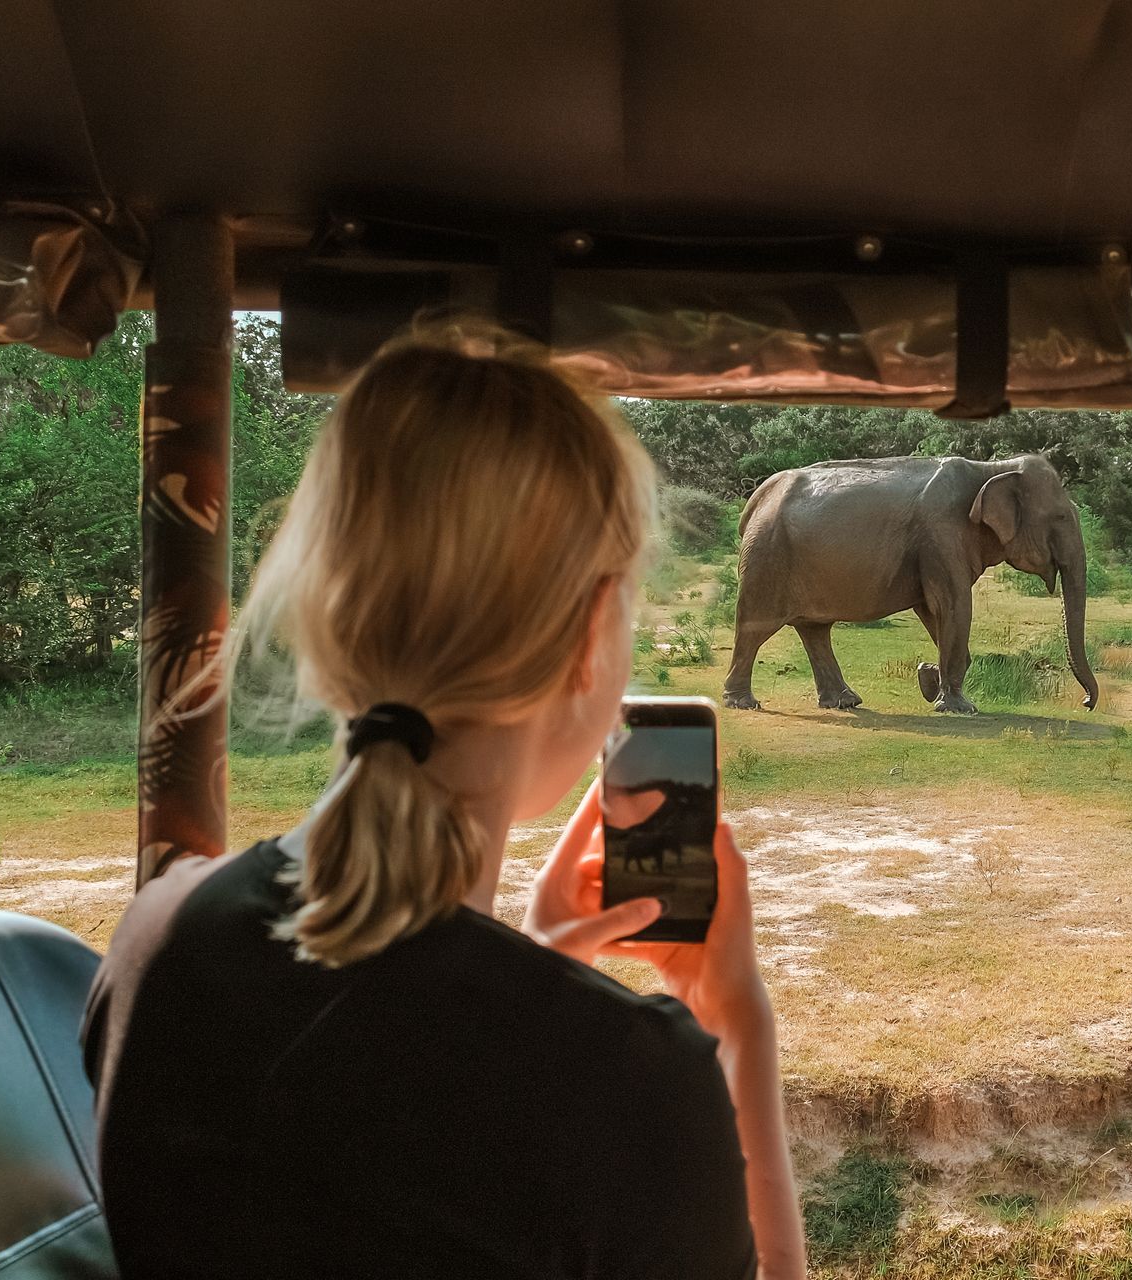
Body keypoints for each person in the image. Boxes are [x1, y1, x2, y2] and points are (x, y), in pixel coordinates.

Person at [83, 336, 804, 1279]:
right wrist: (737, 1026)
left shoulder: (159, 940)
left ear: (332, 608)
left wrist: (528, 968)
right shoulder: (624, 1083)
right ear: (591, 637)